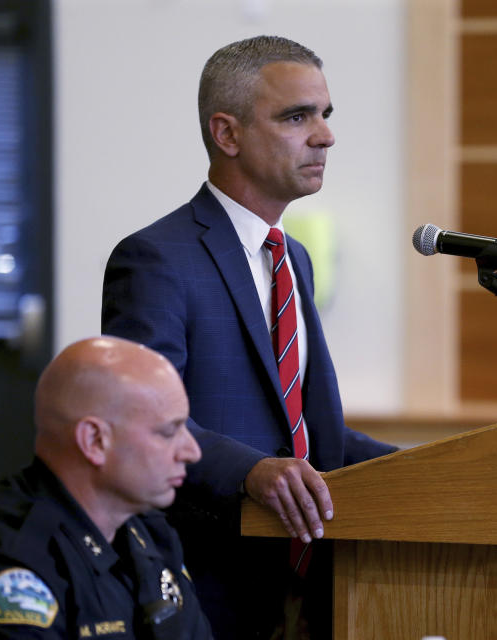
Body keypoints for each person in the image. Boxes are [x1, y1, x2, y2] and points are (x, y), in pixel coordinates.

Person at [101, 35, 397, 638]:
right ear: (227, 134)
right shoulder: (156, 259)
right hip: (208, 584)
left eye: (325, 114)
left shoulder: (295, 260)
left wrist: (432, 468)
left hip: (310, 589)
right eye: (297, 116)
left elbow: (304, 429)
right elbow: (140, 422)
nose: (325, 135)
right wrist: (252, 471)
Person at [0, 336, 213, 639]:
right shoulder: (3, 556)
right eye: (168, 432)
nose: (192, 452)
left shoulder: (153, 535)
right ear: (94, 441)